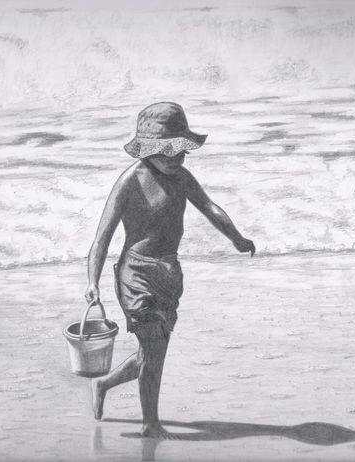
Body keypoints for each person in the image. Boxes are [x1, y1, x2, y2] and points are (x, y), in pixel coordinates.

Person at [84, 102, 255, 439]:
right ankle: (150, 424)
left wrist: (236, 237)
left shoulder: (182, 178)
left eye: (182, 151)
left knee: (153, 352)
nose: (177, 159)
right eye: (169, 151)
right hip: (136, 274)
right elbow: (102, 238)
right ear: (149, 150)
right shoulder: (131, 181)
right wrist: (92, 282)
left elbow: (208, 207)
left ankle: (103, 384)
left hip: (168, 273)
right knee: (153, 348)